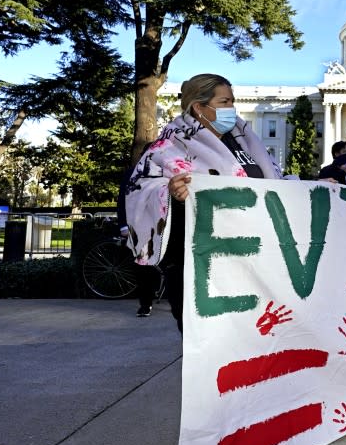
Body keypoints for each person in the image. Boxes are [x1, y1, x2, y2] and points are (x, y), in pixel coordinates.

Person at [124, 73, 284, 332]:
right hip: (199, 270)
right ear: (199, 107)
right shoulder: (168, 148)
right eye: (224, 102)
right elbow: (139, 192)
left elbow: (275, 182)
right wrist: (171, 194)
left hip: (252, 266)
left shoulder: (244, 142)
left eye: (233, 102)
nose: (232, 109)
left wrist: (318, 187)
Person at [117, 158, 160, 317]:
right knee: (143, 266)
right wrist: (123, 226)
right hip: (141, 226)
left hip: (162, 224)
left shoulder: (167, 170)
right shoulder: (133, 173)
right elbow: (123, 199)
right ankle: (145, 303)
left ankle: (153, 295)